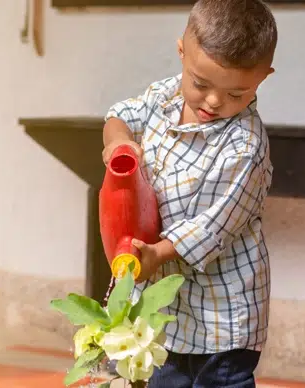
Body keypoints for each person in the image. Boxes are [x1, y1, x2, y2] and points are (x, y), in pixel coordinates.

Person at [101, 0, 278, 386]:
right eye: (200, 84)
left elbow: (212, 228)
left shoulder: (244, 147)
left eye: (236, 93)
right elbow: (121, 115)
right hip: (166, 310)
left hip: (221, 320)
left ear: (263, 77)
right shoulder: (165, 97)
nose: (214, 102)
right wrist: (118, 144)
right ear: (182, 51)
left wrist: (156, 254)